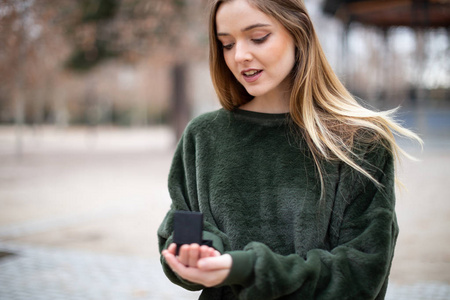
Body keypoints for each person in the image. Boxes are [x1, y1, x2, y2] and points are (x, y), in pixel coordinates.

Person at [157, 0, 422, 299]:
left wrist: (247, 269)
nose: (240, 55)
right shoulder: (203, 136)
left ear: (299, 34)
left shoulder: (360, 141)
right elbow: (181, 228)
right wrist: (195, 253)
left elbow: (362, 271)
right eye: (227, 44)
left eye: (258, 37)